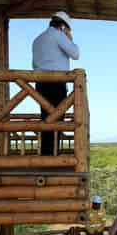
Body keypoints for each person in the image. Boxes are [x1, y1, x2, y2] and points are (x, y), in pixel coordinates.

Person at [32, 11, 80, 155]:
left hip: (40, 83)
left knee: (46, 118)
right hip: (56, 83)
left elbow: (34, 64)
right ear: (64, 27)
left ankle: (46, 154)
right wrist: (70, 39)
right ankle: (52, 154)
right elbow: (76, 54)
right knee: (57, 118)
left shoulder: (37, 39)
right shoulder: (58, 35)